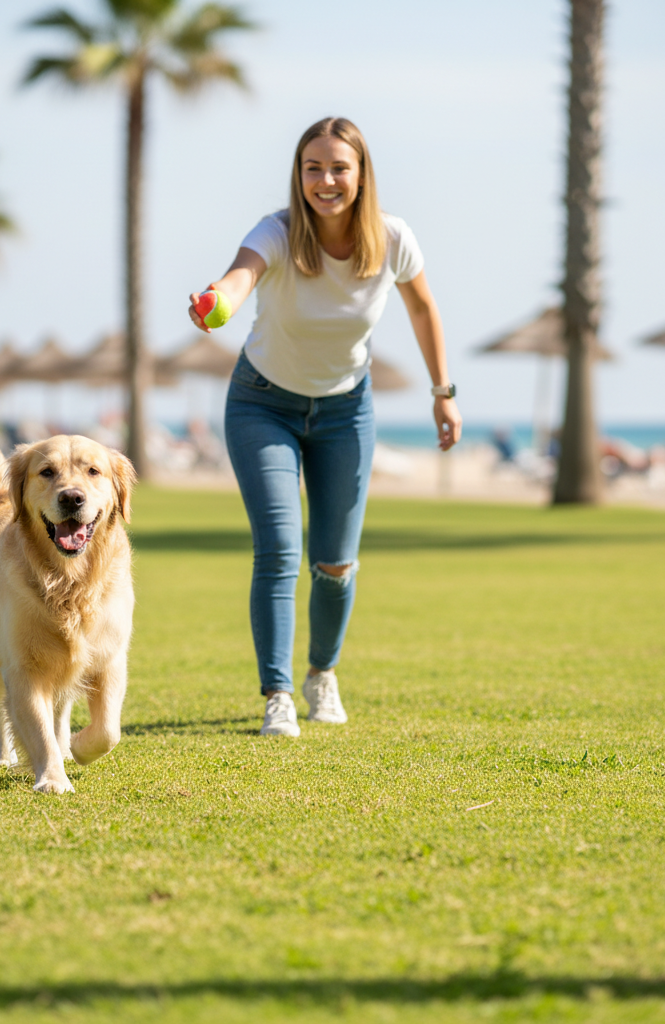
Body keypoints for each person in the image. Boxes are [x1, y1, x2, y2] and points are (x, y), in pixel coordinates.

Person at [188, 117, 462, 737]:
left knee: (336, 563)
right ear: (299, 175)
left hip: (345, 410)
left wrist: (443, 394)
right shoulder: (278, 232)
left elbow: (423, 307)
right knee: (280, 551)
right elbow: (241, 275)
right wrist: (218, 302)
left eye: (339, 167)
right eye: (313, 168)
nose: (326, 180)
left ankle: (322, 674)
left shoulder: (392, 239)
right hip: (263, 405)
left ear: (361, 175)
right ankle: (278, 694)